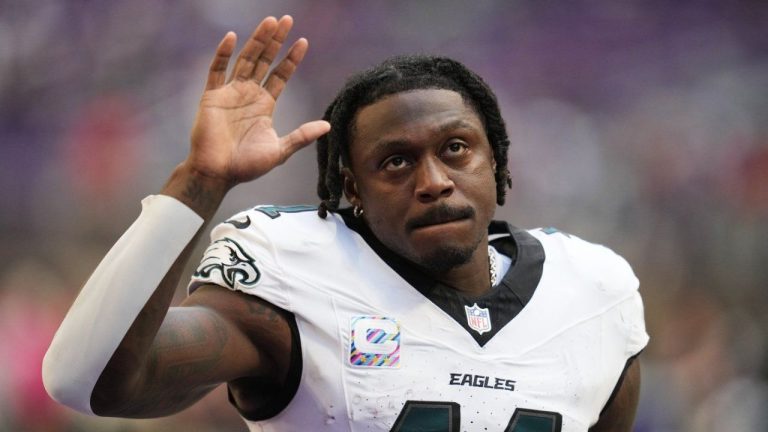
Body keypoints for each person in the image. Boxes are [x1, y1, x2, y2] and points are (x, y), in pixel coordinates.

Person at [43, 15, 648, 431]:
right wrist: (200, 181)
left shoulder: (593, 291)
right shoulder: (293, 274)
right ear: (350, 188)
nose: (434, 179)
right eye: (396, 161)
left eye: (457, 149)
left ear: (498, 160)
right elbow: (85, 381)